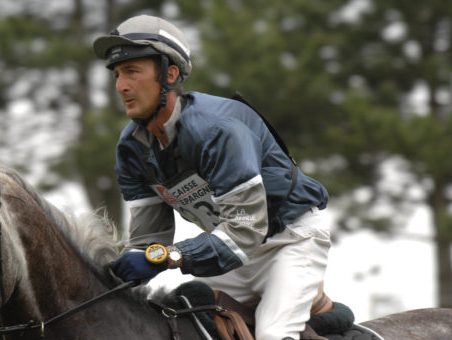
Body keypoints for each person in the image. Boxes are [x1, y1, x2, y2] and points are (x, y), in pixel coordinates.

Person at [93, 15, 331, 340]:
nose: (121, 86)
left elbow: (244, 229)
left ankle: (317, 305)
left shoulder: (217, 131)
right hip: (234, 259)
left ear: (170, 74)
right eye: (118, 74)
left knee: (273, 334)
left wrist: (171, 258)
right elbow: (150, 242)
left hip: (290, 241)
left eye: (133, 72)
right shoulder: (131, 148)